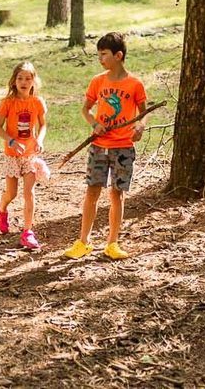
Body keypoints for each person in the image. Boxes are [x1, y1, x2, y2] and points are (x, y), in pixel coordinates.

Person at [65, 32, 146, 260]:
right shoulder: (97, 82)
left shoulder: (135, 84)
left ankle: (112, 243)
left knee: (117, 194)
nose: (100, 58)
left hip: (123, 148)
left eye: (104, 54)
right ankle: (83, 242)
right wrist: (94, 123)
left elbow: (144, 113)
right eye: (98, 54)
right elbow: (85, 109)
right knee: (92, 191)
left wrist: (140, 128)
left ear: (118, 55)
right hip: (99, 146)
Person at [0, 60, 49, 251]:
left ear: (34, 81)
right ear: (14, 81)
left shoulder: (37, 102)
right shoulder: (8, 103)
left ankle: (27, 232)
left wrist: (40, 140)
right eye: (20, 78)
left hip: (30, 155)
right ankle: (1, 209)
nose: (24, 82)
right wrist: (11, 141)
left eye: (28, 78)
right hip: (12, 155)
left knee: (29, 192)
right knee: (12, 193)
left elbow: (43, 124)